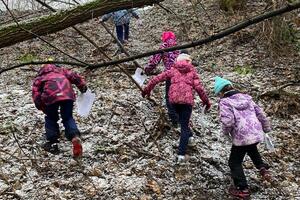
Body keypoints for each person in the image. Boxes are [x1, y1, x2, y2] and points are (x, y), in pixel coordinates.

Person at [142, 54, 211, 163]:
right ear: (189, 62)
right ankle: (181, 154)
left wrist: (147, 89)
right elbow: (199, 89)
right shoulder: (192, 73)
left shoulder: (172, 70)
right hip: (187, 102)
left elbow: (156, 79)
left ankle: (190, 137)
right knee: (184, 125)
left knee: (182, 121)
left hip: (174, 101)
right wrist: (206, 102)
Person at [214, 76, 272, 199]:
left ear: (221, 92)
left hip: (241, 135)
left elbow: (228, 122)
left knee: (234, 162)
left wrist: (225, 132)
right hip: (255, 132)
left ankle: (242, 189)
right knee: (251, 148)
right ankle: (262, 167)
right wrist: (266, 128)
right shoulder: (247, 98)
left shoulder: (224, 102)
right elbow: (261, 114)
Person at [32, 64, 87, 157]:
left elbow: (36, 94)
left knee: (51, 118)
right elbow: (75, 77)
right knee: (68, 117)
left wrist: (41, 106)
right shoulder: (62, 71)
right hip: (67, 95)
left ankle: (53, 143)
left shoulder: (40, 77)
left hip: (50, 97)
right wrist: (82, 86)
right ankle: (74, 136)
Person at [144, 31, 181, 127]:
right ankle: (181, 116)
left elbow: (155, 60)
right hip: (181, 74)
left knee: (169, 96)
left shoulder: (164, 46)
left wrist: (147, 69)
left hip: (170, 74)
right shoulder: (177, 46)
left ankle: (174, 119)